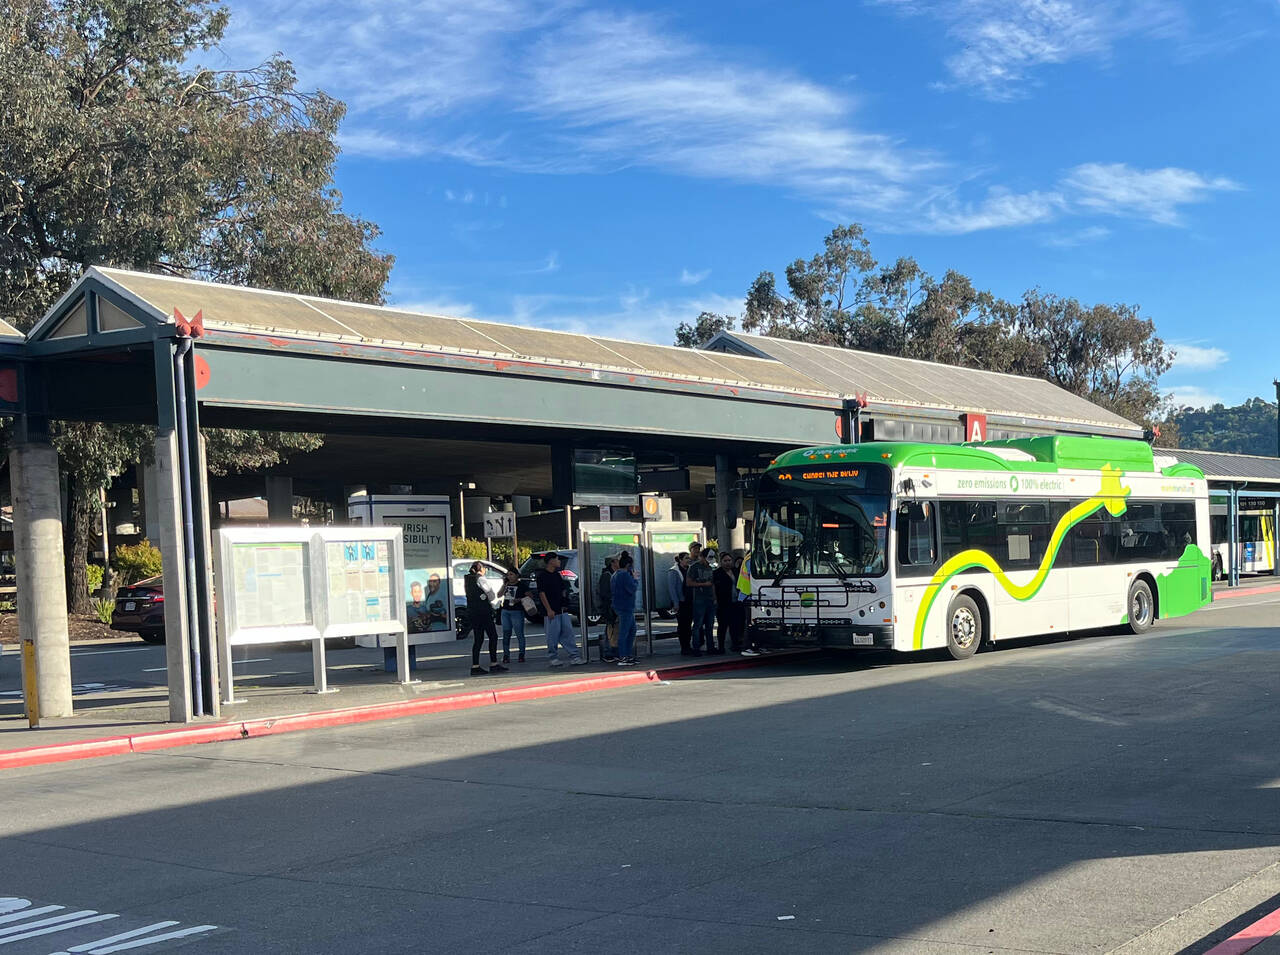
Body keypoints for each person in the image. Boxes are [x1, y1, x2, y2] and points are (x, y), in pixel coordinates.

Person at [538, 552, 584, 667]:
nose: (559, 561)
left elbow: (563, 589)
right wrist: (548, 609)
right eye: (557, 559)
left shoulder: (557, 575)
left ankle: (574, 656)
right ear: (551, 561)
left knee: (568, 633)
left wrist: (564, 602)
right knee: (552, 635)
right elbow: (542, 593)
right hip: (551, 611)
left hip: (562, 609)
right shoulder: (542, 576)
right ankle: (553, 657)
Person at [466, 562, 505, 675]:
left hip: (473, 611)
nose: (486, 571)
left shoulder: (468, 579)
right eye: (485, 568)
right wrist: (492, 603)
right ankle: (493, 663)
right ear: (481, 569)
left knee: (478, 639)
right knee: (493, 636)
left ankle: (475, 665)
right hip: (484, 612)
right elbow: (491, 594)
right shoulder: (481, 579)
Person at [610, 552, 639, 666]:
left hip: (620, 605)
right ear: (628, 565)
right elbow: (632, 588)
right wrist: (635, 579)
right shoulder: (625, 575)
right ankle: (623, 656)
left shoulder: (615, 574)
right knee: (625, 631)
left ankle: (627, 654)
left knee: (631, 630)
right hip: (626, 606)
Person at [686, 546, 717, 654]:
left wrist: (714, 598)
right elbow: (689, 583)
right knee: (698, 624)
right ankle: (696, 648)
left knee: (710, 624)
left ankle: (710, 647)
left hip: (709, 599)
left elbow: (712, 584)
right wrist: (703, 584)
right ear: (702, 557)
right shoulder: (694, 567)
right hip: (699, 599)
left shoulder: (710, 567)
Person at [499, 567, 529, 663]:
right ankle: (506, 655)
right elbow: (498, 595)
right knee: (506, 633)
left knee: (519, 633)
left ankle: (521, 653)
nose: (509, 576)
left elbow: (529, 595)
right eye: (508, 575)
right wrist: (504, 585)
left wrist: (519, 599)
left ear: (516, 575)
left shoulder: (521, 585)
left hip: (517, 610)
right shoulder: (506, 585)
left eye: (511, 574)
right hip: (506, 610)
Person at [712, 551, 736, 654]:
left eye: (729, 560)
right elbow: (713, 588)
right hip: (723, 602)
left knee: (734, 624)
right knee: (723, 626)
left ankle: (735, 644)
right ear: (721, 562)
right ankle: (721, 646)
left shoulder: (736, 571)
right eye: (725, 561)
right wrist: (715, 599)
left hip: (736, 601)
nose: (727, 563)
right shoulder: (717, 573)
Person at [597, 555, 619, 663]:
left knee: (613, 630)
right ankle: (608, 652)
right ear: (612, 563)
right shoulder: (607, 575)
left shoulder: (613, 574)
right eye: (617, 561)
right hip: (609, 608)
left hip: (612, 607)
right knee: (610, 631)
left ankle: (612, 652)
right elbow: (605, 594)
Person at [667, 553, 691, 654]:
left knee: (688, 625)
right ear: (680, 560)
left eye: (688, 558)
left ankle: (688, 645)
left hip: (689, 600)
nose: (688, 560)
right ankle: (684, 647)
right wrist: (675, 603)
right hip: (681, 602)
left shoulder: (689, 569)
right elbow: (672, 589)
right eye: (686, 558)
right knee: (682, 625)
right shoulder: (674, 571)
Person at [729, 554, 749, 654]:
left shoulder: (748, 559)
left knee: (744, 622)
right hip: (747, 596)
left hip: (744, 596)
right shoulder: (750, 559)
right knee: (747, 623)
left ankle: (744, 644)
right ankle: (745, 646)